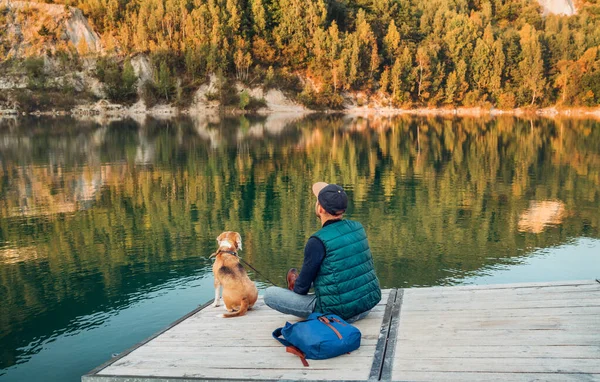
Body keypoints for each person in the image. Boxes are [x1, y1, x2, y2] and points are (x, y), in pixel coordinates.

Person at [264, 182, 381, 323]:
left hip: (336, 313)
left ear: (320, 209)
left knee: (270, 294)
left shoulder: (317, 241)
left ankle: (295, 282)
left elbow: (301, 290)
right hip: (365, 306)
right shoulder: (358, 228)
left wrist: (298, 284)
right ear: (342, 209)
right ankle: (297, 280)